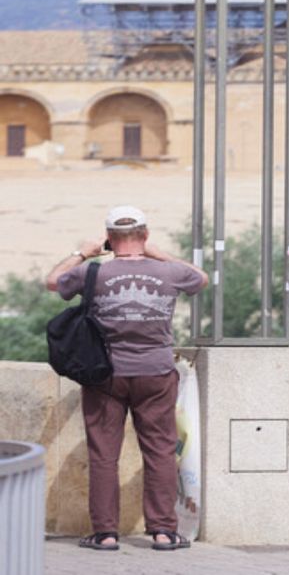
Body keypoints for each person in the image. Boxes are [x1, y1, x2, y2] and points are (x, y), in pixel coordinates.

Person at [44, 206, 207, 552]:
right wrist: (158, 254)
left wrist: (82, 253)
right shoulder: (169, 273)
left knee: (104, 454)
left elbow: (52, 281)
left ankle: (105, 534)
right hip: (157, 373)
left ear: (109, 239)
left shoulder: (93, 272)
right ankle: (163, 532)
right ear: (144, 236)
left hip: (105, 375)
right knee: (161, 452)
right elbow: (201, 278)